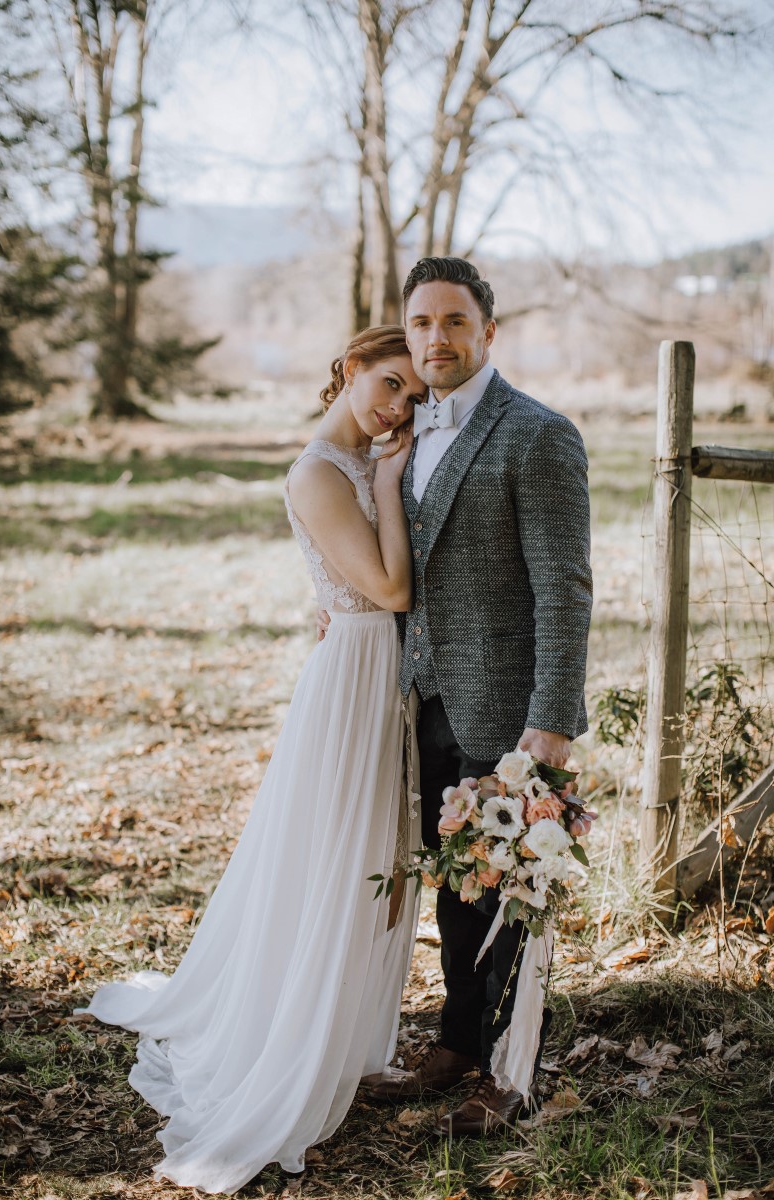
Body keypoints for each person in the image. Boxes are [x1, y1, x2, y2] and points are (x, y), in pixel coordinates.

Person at [79, 326, 428, 1194]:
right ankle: (295, 1041)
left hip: (385, 671)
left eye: (414, 398)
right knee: (338, 862)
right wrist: (388, 480)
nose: (397, 407)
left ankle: (349, 1041)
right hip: (353, 673)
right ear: (348, 370)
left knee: (382, 861)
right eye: (388, 384)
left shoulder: (368, 462)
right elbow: (386, 590)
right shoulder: (321, 471)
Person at [368, 257, 592, 1136]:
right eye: (421, 323)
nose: (436, 339)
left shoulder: (538, 435)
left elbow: (564, 587)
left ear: (487, 332)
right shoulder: (404, 433)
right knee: (451, 891)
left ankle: (507, 1072)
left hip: (507, 706)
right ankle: (458, 1043)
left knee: (506, 896)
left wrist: (549, 719)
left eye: (454, 322)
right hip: (420, 694)